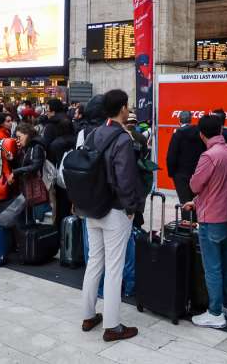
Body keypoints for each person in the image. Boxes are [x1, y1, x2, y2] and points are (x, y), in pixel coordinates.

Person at [80, 89, 145, 342]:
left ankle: (88, 315)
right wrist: (132, 207)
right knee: (114, 267)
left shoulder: (94, 134)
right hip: (115, 210)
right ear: (123, 109)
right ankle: (112, 325)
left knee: (94, 262)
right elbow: (126, 178)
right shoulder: (122, 138)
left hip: (92, 207)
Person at [181, 114, 227, 328]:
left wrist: (196, 197)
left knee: (212, 267)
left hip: (211, 217)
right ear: (221, 130)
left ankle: (215, 312)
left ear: (201, 134)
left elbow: (195, 185)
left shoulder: (209, 156)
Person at [166, 110, 206, 210]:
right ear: (191, 120)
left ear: (179, 121)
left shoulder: (177, 134)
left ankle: (186, 224)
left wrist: (172, 173)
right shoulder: (200, 134)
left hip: (181, 175)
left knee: (185, 203)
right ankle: (196, 223)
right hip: (196, 172)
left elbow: (171, 156)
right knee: (195, 202)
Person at [12, 122, 48, 221]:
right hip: (31, 186)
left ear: (26, 134)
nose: (18, 140)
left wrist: (16, 171)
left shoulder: (36, 146)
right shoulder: (29, 146)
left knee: (39, 218)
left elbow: (35, 165)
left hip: (38, 185)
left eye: (19, 137)